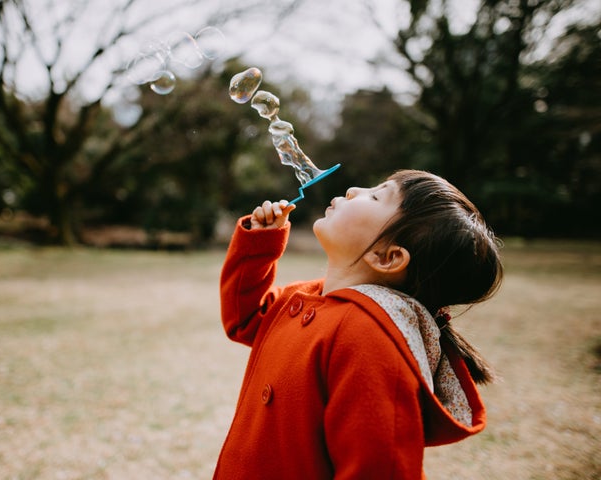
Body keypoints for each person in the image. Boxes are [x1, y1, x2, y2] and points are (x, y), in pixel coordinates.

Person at [213, 169, 503, 479]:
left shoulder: (371, 338)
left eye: (377, 195)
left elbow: (379, 468)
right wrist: (260, 244)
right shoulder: (306, 296)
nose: (354, 189)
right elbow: (243, 320)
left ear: (387, 257)